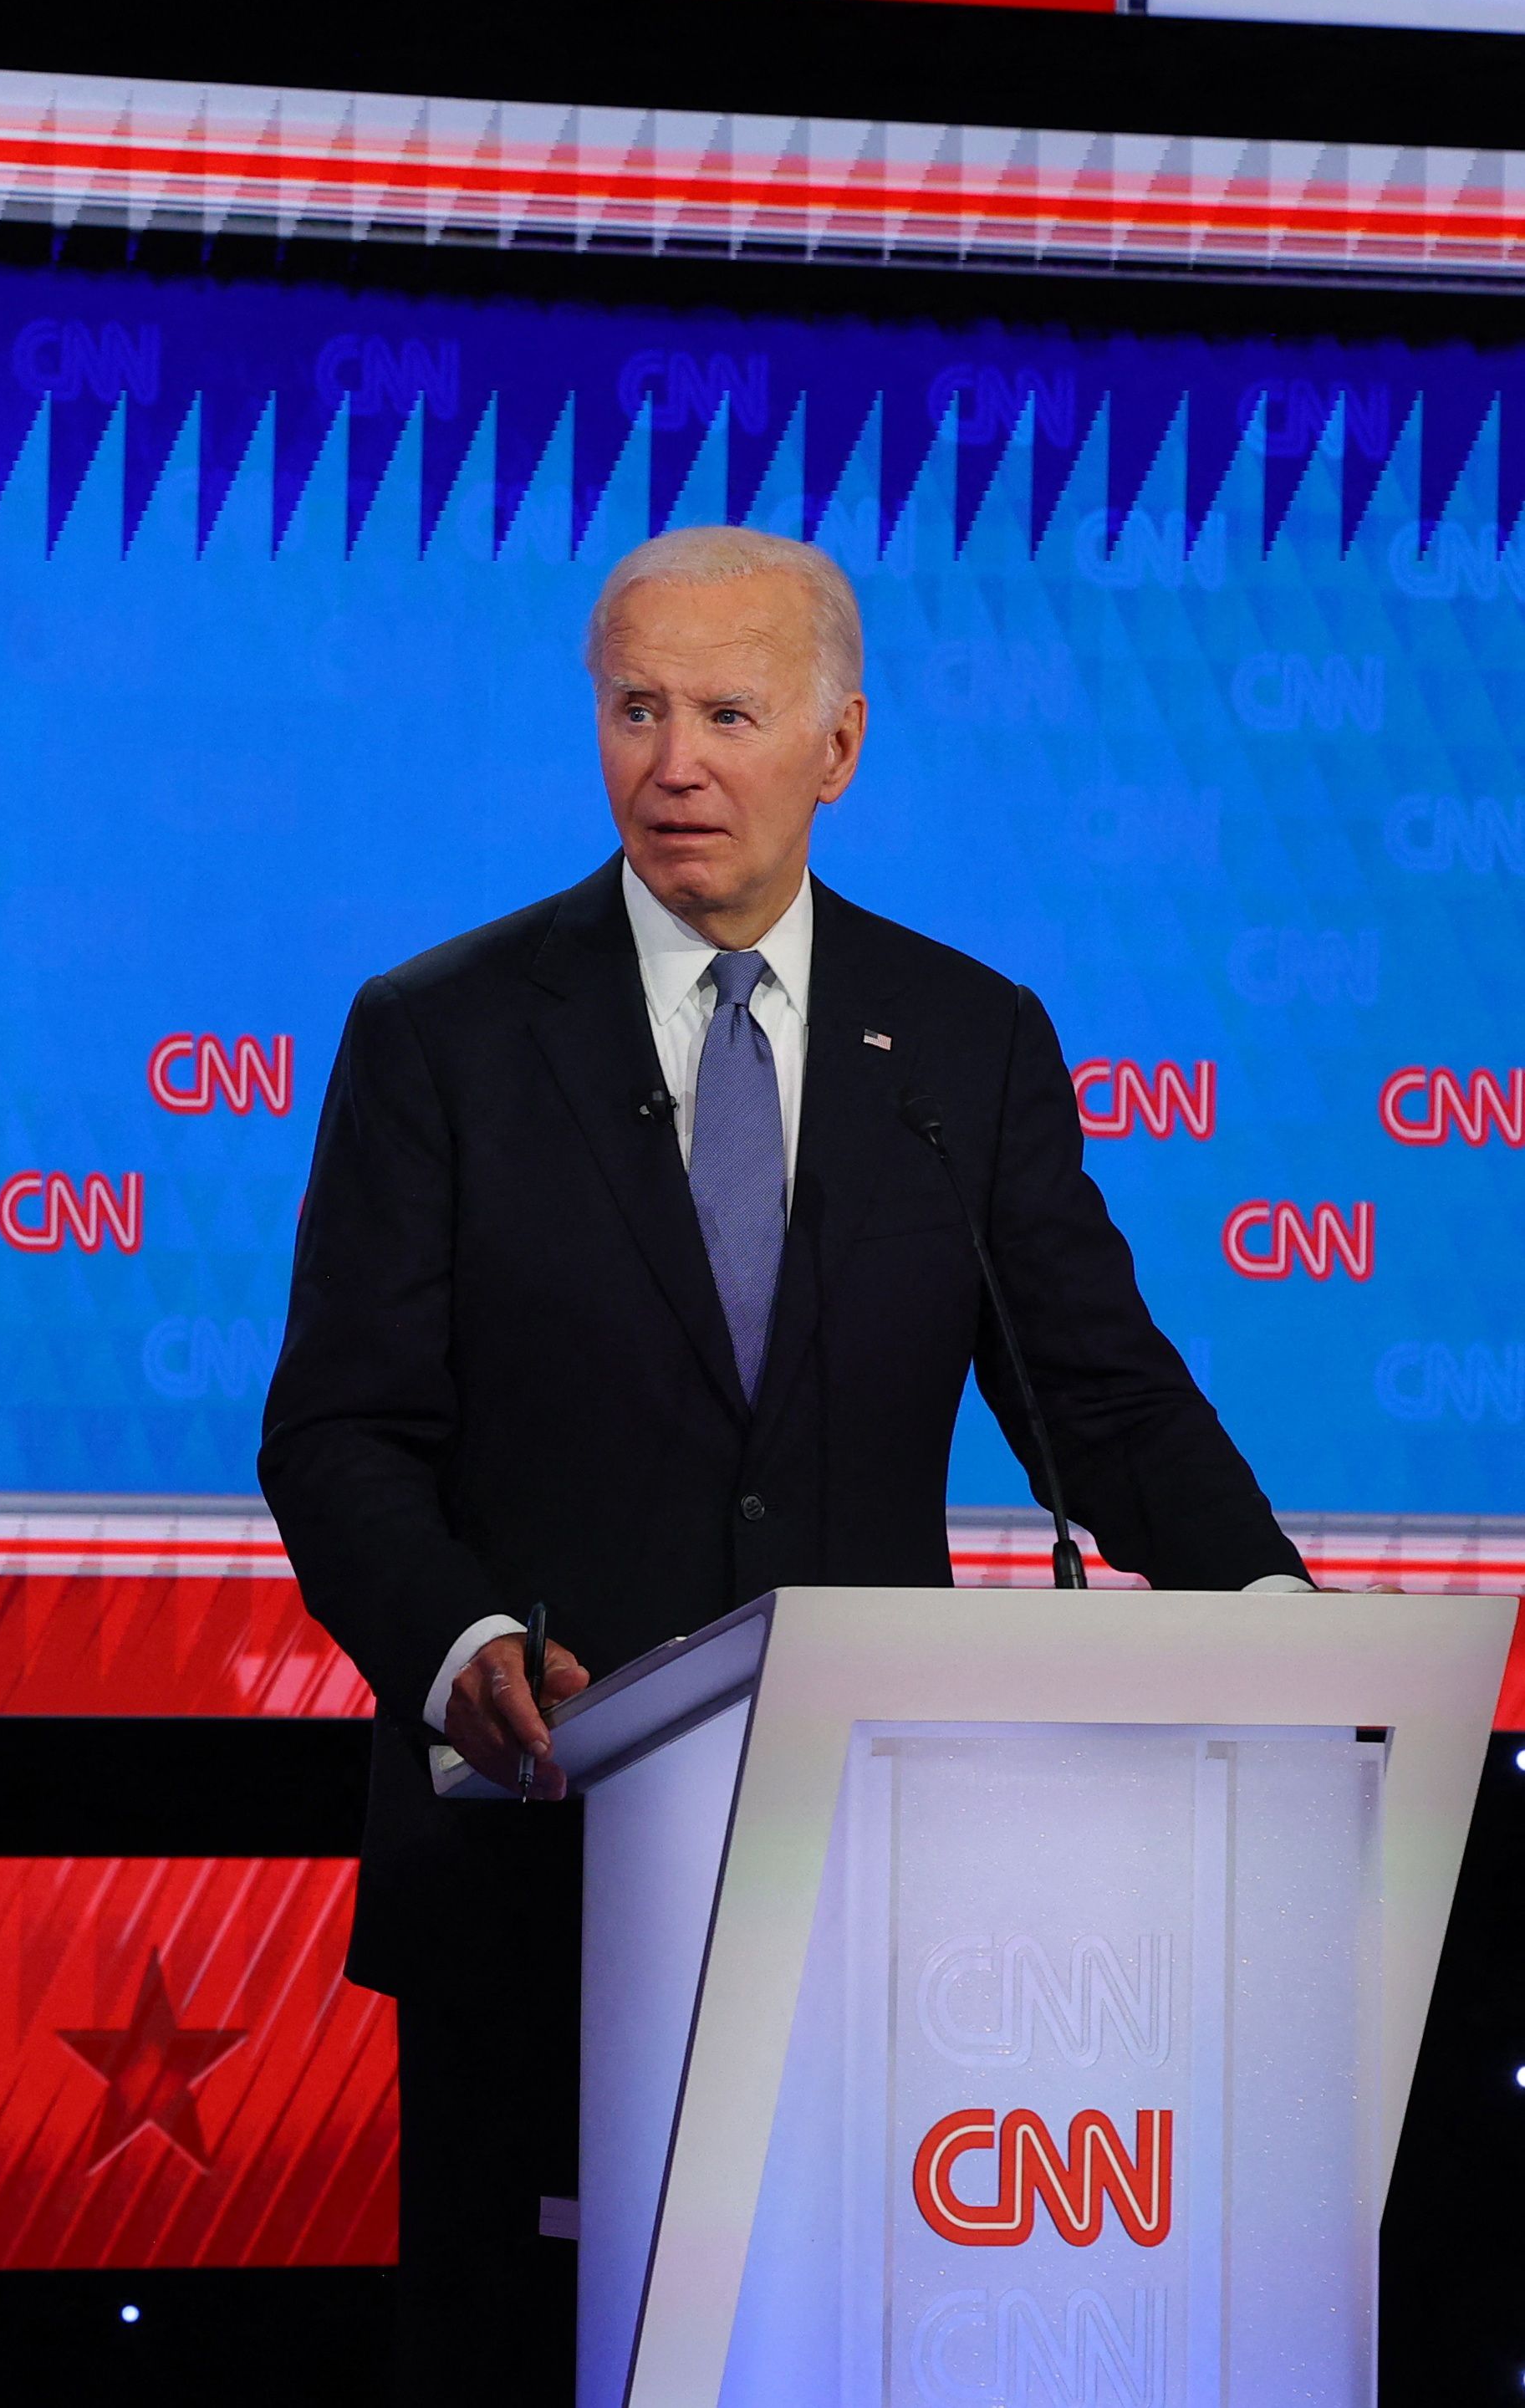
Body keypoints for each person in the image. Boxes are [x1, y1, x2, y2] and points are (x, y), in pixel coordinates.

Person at [255, 524, 1308, 2406]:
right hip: (540, 1873)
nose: (674, 763)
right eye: (635, 711)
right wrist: (460, 1641)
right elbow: (339, 1433)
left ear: (837, 744)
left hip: (878, 1877)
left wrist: (1282, 1621)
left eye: (728, 716)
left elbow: (1103, 1403)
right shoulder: (441, 1036)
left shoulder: (964, 1044)